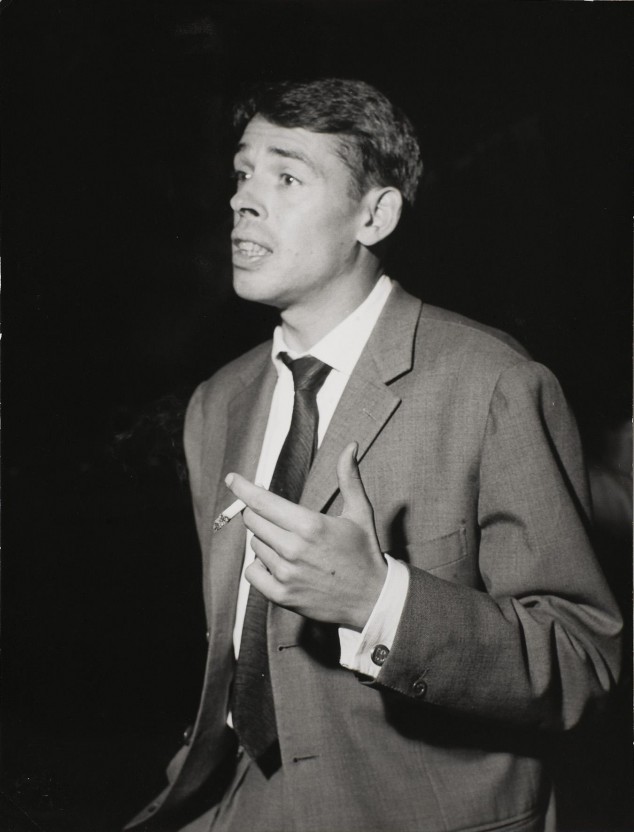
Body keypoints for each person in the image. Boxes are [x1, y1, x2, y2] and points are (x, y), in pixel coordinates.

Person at [126, 78, 622, 832]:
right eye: (242, 173)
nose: (242, 200)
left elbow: (584, 660)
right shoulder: (217, 403)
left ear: (375, 215)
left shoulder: (493, 382)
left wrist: (378, 601)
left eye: (287, 177)